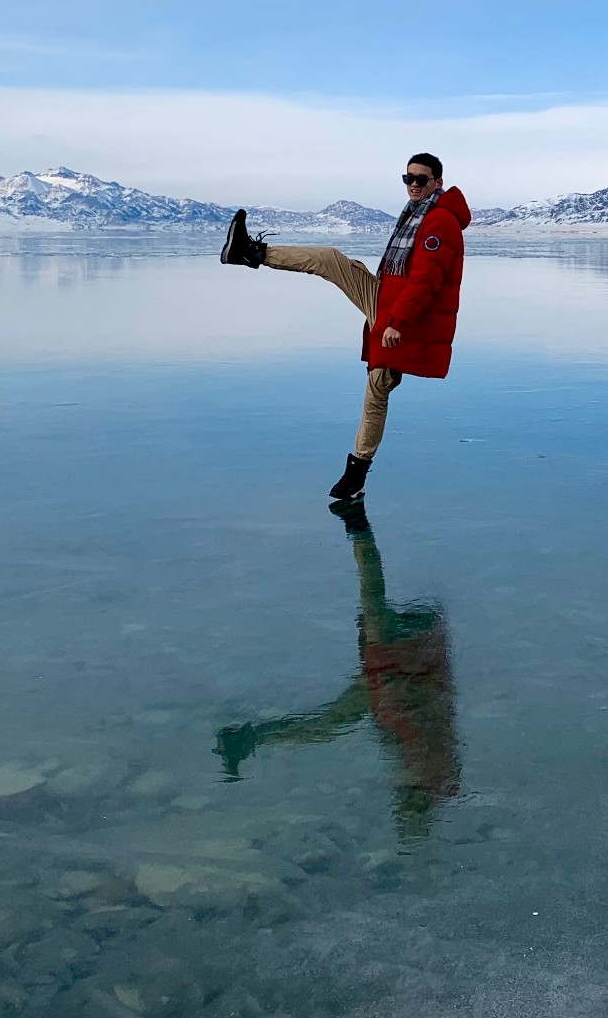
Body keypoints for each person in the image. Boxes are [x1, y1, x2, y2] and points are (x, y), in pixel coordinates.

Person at [218, 153, 471, 501]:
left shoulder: (439, 222)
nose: (414, 184)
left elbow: (427, 280)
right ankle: (250, 253)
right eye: (408, 178)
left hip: (406, 317)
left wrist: (397, 323)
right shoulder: (419, 214)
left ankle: (357, 472)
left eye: (422, 179)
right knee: (331, 260)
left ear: (437, 183)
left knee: (378, 386)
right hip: (387, 300)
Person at [213, 518, 461, 844]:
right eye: (407, 808)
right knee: (371, 593)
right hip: (400, 668)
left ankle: (249, 738)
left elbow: (431, 712)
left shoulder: (434, 774)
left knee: (332, 722)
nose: (398, 803)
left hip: (396, 676)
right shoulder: (437, 774)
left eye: (402, 809)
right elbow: (432, 712)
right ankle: (358, 525)